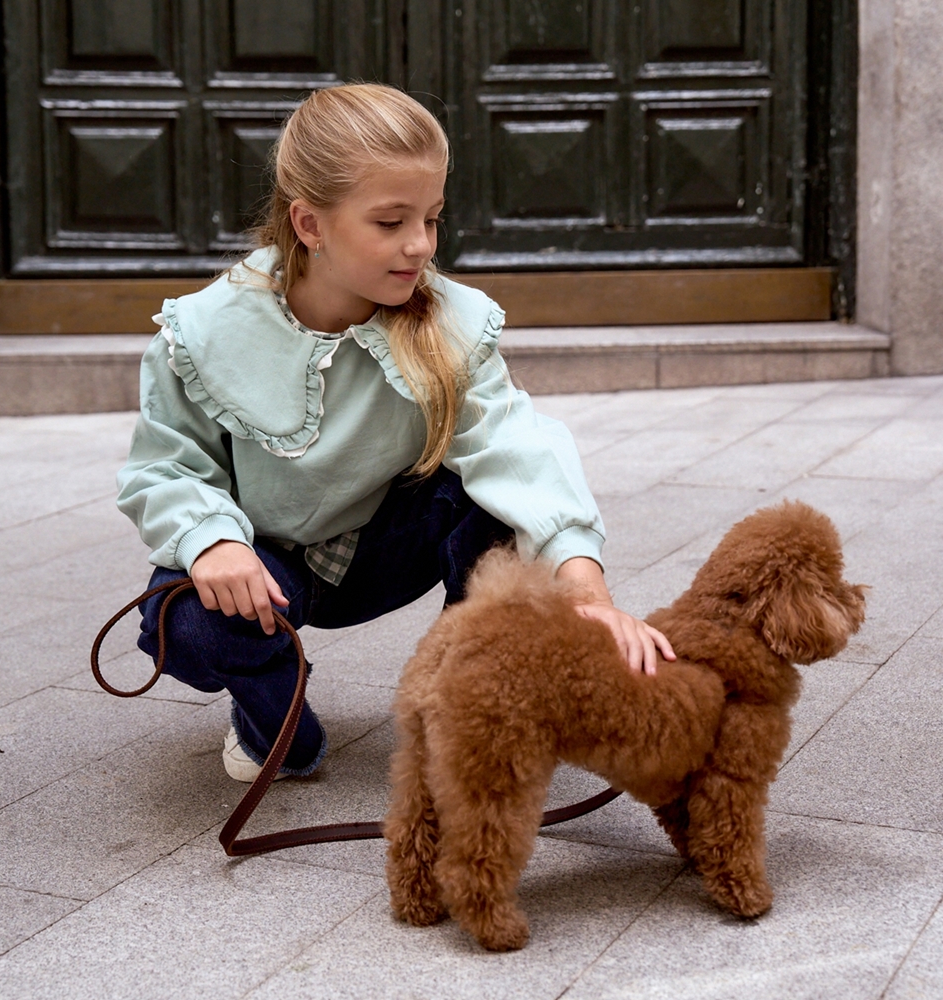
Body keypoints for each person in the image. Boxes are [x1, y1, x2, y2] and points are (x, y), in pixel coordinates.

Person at [117, 83, 674, 784]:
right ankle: (277, 721)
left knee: (495, 511)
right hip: (271, 573)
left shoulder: (450, 321)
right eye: (390, 222)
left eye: (432, 219)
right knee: (185, 619)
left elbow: (517, 447)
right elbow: (162, 469)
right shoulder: (204, 331)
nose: (420, 245)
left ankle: (472, 708)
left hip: (388, 547)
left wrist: (586, 592)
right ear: (310, 224)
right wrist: (214, 542)